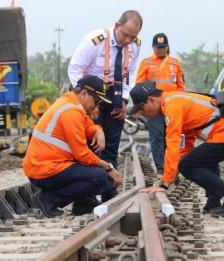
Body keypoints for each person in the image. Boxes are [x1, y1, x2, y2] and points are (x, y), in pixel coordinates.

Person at [130, 81, 224, 217]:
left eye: (142, 109)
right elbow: (186, 143)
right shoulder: (176, 99)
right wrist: (173, 173)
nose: (143, 113)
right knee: (201, 159)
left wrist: (165, 182)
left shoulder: (172, 106)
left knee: (188, 166)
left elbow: (173, 144)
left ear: (151, 100)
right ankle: (214, 200)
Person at [22, 75, 123, 217]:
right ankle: (47, 200)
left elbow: (89, 126)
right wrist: (109, 168)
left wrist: (98, 130)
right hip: (44, 169)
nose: (97, 106)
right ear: (84, 94)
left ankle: (83, 202)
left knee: (97, 170)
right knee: (99, 177)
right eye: (96, 101)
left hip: (46, 166)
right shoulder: (71, 111)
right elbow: (82, 155)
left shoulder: (71, 104)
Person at [68, 10, 143, 169]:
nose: (128, 40)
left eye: (133, 37)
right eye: (125, 35)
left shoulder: (135, 46)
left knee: (111, 144)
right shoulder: (95, 41)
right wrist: (87, 101)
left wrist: (124, 99)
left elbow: (129, 72)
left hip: (114, 92)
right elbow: (75, 69)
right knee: (89, 141)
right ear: (117, 25)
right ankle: (89, 186)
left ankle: (109, 187)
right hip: (88, 92)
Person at [133, 33, 186, 176]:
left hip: (172, 107)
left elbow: (181, 86)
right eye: (158, 48)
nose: (161, 50)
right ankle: (161, 168)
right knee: (156, 137)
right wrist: (137, 107)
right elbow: (138, 86)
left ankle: (173, 167)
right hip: (154, 109)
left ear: (167, 47)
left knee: (172, 137)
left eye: (163, 47)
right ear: (152, 47)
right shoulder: (146, 63)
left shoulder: (175, 63)